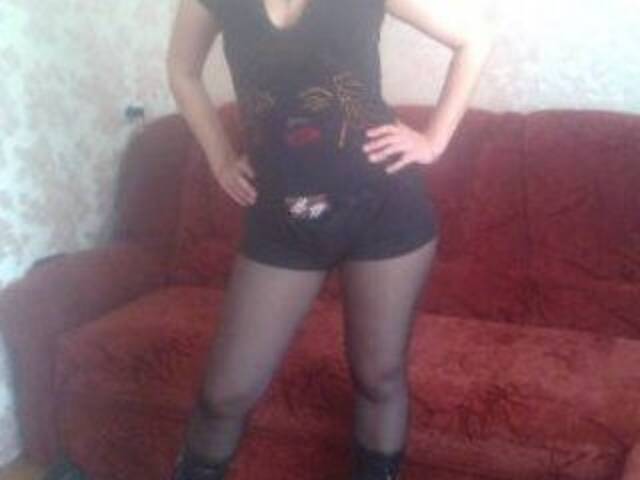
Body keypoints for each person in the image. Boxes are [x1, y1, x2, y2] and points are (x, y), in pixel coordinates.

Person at [166, 0, 494, 478]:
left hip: (385, 209)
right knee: (224, 394)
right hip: (281, 221)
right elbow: (182, 70)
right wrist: (219, 158)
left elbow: (474, 39)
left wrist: (434, 140)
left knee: (378, 378)